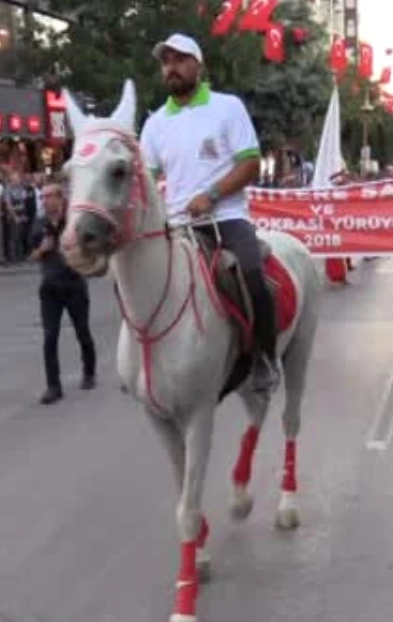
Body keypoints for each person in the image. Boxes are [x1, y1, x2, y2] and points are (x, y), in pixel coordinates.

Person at [140, 33, 279, 392]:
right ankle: (142, 363)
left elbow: (249, 164)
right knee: (136, 281)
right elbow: (147, 179)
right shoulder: (154, 124)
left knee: (252, 274)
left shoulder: (227, 107)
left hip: (226, 218)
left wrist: (212, 195)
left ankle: (264, 357)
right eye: (166, 61)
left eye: (179, 59)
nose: (171, 67)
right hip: (176, 224)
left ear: (198, 65)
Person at [29, 182, 97, 405]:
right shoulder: (39, 224)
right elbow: (30, 255)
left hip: (74, 283)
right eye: (43, 197)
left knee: (82, 332)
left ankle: (89, 371)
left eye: (49, 197)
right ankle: (53, 386)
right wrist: (42, 249)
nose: (45, 201)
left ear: (60, 198)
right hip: (50, 287)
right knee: (50, 337)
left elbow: (90, 247)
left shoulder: (74, 222)